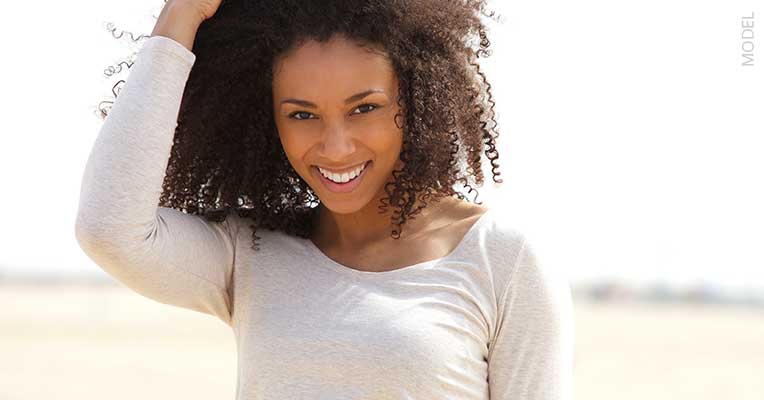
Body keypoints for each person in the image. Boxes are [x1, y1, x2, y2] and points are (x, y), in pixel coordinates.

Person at [74, 0, 574, 398]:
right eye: (302, 115)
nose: (335, 147)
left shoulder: (503, 260)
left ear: (418, 99)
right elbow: (109, 228)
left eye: (365, 108)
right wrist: (181, 13)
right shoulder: (252, 254)